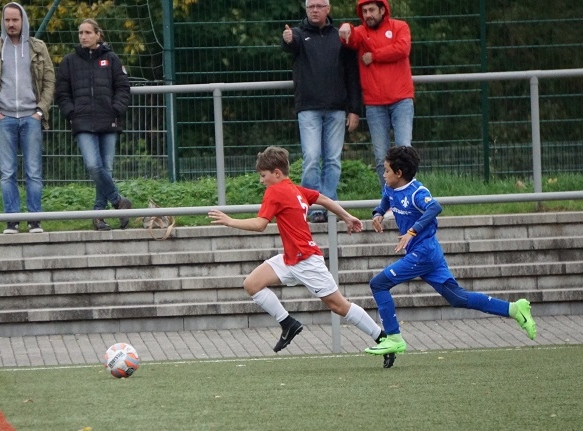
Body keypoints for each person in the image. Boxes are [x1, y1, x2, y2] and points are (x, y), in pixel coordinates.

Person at [208, 146, 389, 360]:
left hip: (306, 259)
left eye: (263, 175)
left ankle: (382, 338)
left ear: (277, 173)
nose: (261, 180)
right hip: (291, 258)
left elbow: (260, 224)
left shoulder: (275, 191)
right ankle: (288, 324)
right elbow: (324, 199)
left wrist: (230, 221)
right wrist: (347, 216)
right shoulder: (295, 189)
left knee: (339, 305)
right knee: (252, 284)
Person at [365, 146, 536, 356]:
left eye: (387, 171)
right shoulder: (391, 187)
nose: (384, 174)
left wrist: (412, 231)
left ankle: (394, 338)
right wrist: (378, 213)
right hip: (428, 253)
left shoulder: (417, 192)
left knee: (378, 284)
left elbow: (435, 208)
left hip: (424, 252)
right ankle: (514, 309)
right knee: (458, 298)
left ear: (399, 173)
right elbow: (386, 198)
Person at [281, 0, 363, 223]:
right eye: (311, 7)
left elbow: (352, 75)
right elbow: (290, 44)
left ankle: (330, 206)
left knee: (333, 160)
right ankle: (313, 206)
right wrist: (287, 39)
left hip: (337, 108)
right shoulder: (298, 34)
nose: (315, 10)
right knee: (311, 157)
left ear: (328, 9)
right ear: (306, 10)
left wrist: (354, 109)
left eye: (319, 6)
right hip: (308, 108)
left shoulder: (340, 37)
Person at [0, 2, 55, 235]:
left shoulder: (38, 47)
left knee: (33, 172)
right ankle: (12, 220)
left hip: (32, 117)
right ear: (3, 21)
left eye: (15, 20)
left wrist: (40, 111)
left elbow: (50, 81)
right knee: (7, 173)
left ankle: (34, 220)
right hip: (4, 118)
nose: (11, 24)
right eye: (7, 20)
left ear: (23, 21)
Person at [56, 18, 133, 231]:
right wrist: (71, 113)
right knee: (93, 165)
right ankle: (118, 201)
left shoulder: (112, 59)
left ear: (98, 35)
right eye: (81, 32)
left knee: (105, 168)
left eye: (88, 32)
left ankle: (99, 215)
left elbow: (123, 87)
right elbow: (62, 92)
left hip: (108, 120)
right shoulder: (69, 61)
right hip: (82, 122)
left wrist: (116, 109)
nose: (83, 36)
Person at [338, 0, 414, 183]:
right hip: (374, 104)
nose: (368, 15)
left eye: (371, 10)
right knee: (381, 157)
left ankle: (407, 195)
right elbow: (350, 38)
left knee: (404, 152)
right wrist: (345, 27)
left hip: (401, 99)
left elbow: (402, 49)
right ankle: (387, 196)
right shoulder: (361, 32)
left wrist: (374, 56)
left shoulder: (400, 26)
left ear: (382, 10)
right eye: (364, 11)